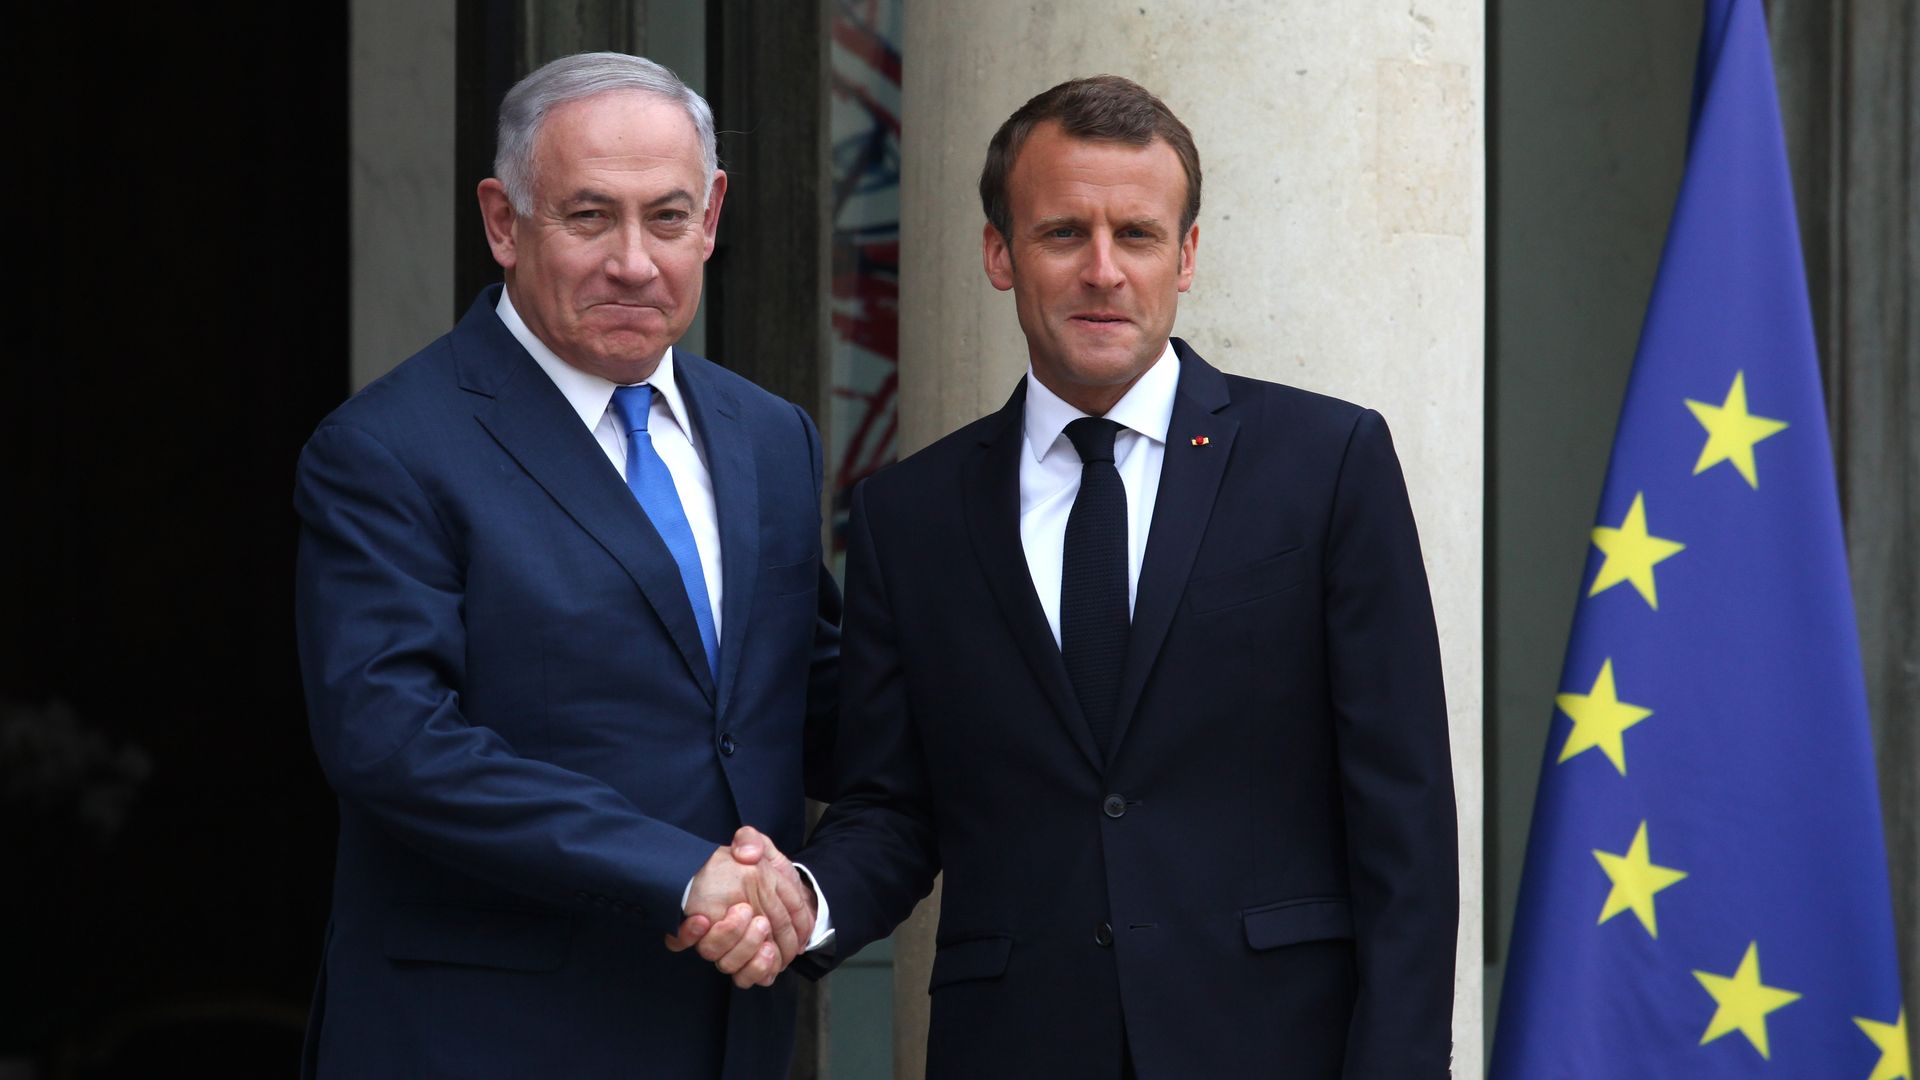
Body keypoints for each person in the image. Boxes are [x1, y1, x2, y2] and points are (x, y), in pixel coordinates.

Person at [684, 75, 1458, 1078]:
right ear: (1000, 253)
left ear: (1185, 256)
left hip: (1277, 1045)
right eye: (1062, 234)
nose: (1103, 271)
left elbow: (1403, 814)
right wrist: (801, 900)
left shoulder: (1327, 462)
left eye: (1136, 235)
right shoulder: (908, 515)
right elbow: (892, 805)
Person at [293, 52, 834, 1079]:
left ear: (713, 215)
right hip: (482, 1041)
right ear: (503, 222)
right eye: (590, 217)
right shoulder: (389, 448)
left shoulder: (770, 436)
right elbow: (391, 739)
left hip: (728, 1032)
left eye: (668, 218)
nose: (635, 261)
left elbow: (812, 701)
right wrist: (683, 875)